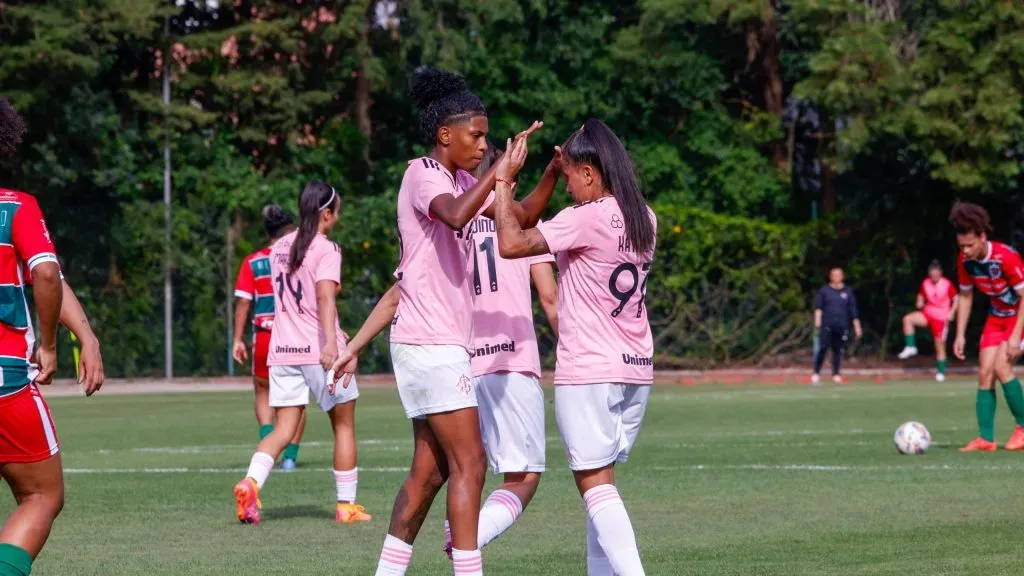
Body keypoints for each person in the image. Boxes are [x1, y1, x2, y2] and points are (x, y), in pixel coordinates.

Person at [329, 68, 548, 576]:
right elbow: (452, 215)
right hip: (433, 346)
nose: (482, 144)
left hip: (433, 345)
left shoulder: (466, 181)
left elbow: (522, 216)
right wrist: (496, 176)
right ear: (444, 135)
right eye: (476, 135)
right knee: (469, 463)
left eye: (488, 137)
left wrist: (545, 171)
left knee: (428, 475)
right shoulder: (423, 173)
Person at [492, 119, 656, 576]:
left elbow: (510, 242)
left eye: (568, 178)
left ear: (589, 172)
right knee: (601, 485)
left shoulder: (586, 216)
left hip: (589, 369)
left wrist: (504, 181)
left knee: (595, 488)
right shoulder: (645, 216)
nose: (566, 188)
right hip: (635, 367)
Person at [0, 96, 104, 576]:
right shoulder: (15, 208)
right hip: (6, 383)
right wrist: (49, 343)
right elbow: (44, 274)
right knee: (42, 495)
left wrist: (86, 332)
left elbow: (49, 279)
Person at [440, 142, 560, 555]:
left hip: (467, 360)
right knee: (523, 477)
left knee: (465, 469)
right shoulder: (522, 229)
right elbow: (549, 298)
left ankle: (460, 532)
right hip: (512, 362)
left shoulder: (464, 218)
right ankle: (468, 537)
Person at [232, 181, 370, 525]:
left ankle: (251, 483)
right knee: (344, 425)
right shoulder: (326, 249)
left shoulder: (279, 246)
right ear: (326, 213)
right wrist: (331, 343)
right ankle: (346, 506)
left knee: (282, 429)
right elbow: (324, 297)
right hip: (317, 349)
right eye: (336, 212)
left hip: (282, 350)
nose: (337, 218)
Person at [232, 204, 307, 470]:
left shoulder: (253, 261)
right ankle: (290, 457)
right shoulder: (300, 257)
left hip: (264, 335)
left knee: (262, 391)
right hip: (295, 336)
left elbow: (243, 302)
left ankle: (267, 442)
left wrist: (237, 338)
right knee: (297, 398)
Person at [948, 202, 1024, 452]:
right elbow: (966, 296)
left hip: (1018, 316)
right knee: (984, 373)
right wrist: (959, 334)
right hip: (997, 317)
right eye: (962, 246)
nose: (966, 250)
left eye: (970, 245)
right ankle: (986, 439)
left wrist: (1015, 338)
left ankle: (1023, 429)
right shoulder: (965, 261)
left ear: (982, 236)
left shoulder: (1006, 256)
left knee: (1002, 367)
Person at [896, 260, 959, 381]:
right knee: (908, 319)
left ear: (940, 273)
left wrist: (952, 313)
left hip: (941, 318)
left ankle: (940, 372)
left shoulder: (947, 284)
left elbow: (957, 298)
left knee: (939, 345)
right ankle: (911, 346)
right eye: (932, 273)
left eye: (936, 273)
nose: (934, 276)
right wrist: (919, 301)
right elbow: (921, 294)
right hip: (927, 314)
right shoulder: (926, 283)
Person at [811, 267, 863, 384]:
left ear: (842, 276)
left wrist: (857, 326)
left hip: (842, 325)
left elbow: (853, 310)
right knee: (822, 349)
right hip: (827, 324)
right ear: (830, 276)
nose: (836, 277)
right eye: (834, 275)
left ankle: (836, 373)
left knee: (838, 350)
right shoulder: (824, 291)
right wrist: (817, 321)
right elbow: (818, 308)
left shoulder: (847, 291)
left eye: (839, 275)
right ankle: (816, 373)